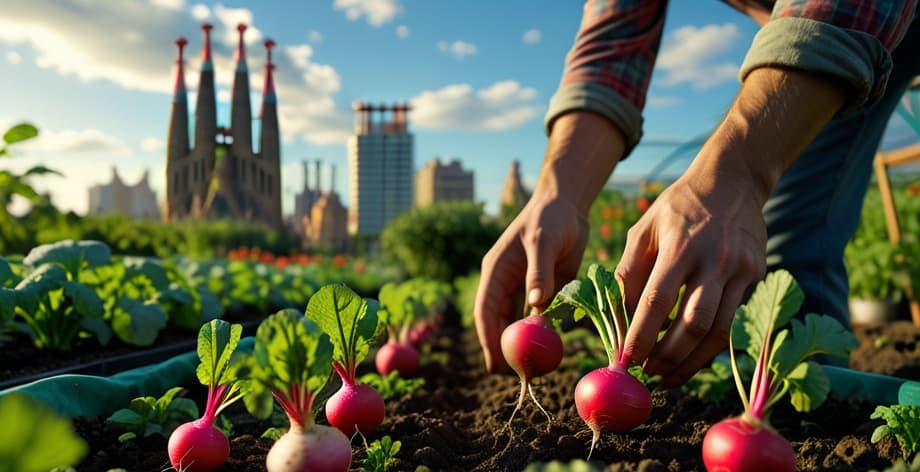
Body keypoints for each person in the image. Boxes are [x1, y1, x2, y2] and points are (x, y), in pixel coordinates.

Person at [474, 0, 920, 388]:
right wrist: (559, 194)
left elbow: (849, 8)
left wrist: (739, 173)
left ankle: (806, 414)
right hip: (813, 23)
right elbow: (612, 45)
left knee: (787, 231)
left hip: (873, 18)